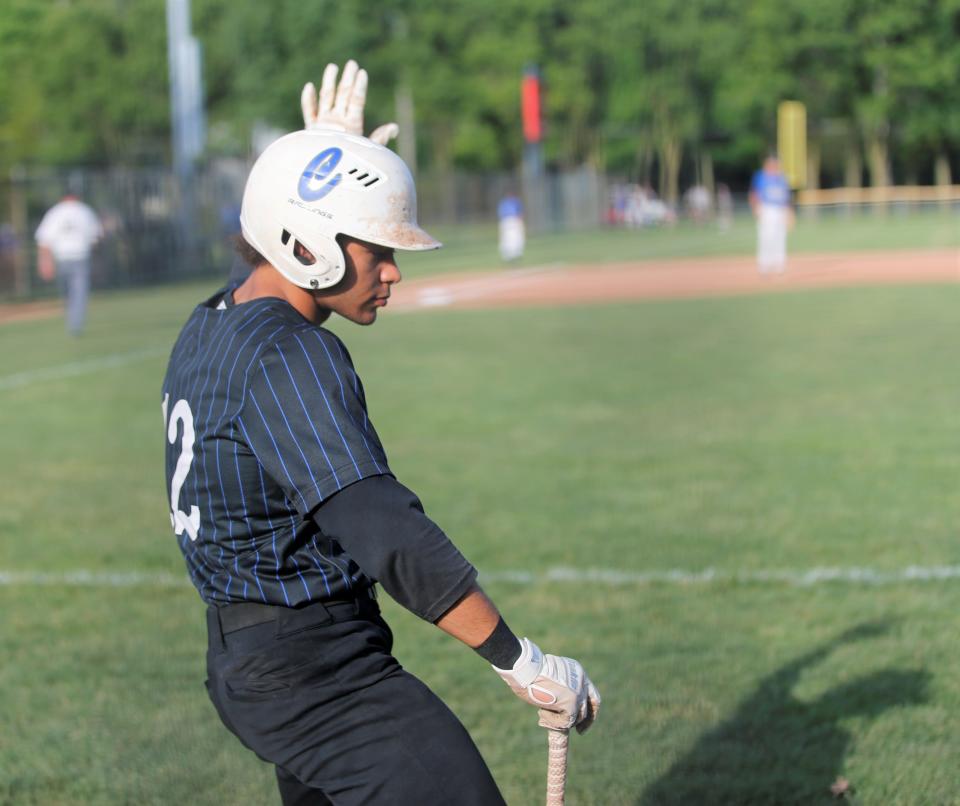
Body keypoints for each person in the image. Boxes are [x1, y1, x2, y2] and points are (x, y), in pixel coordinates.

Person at [161, 60, 599, 806]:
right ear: (308, 244)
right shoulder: (289, 352)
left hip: (256, 655)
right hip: (313, 669)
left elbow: (271, 241)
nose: (393, 271)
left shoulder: (214, 322)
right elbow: (385, 530)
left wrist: (319, 167)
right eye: (377, 248)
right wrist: (517, 659)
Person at [34, 191, 103, 335]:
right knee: (77, 293)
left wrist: (45, 262)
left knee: (73, 293)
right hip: (80, 257)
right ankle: (74, 321)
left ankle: (74, 326)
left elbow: (43, 241)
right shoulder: (85, 211)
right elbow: (96, 238)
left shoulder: (55, 212)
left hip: (63, 258)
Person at [749, 155, 793, 274]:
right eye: (772, 165)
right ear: (767, 165)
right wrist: (755, 208)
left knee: (780, 237)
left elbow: (786, 198)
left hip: (780, 210)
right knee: (766, 237)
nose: (774, 167)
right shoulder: (761, 177)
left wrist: (789, 214)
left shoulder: (782, 178)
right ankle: (764, 264)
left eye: (776, 165)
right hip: (766, 209)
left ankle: (779, 264)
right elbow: (754, 193)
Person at [496, 191, 525, 262]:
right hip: (506, 221)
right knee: (506, 238)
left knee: (517, 237)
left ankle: (516, 254)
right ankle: (507, 255)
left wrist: (520, 221)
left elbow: (520, 212)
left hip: (514, 220)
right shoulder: (504, 203)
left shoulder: (516, 202)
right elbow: (501, 214)